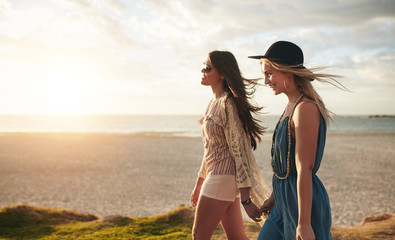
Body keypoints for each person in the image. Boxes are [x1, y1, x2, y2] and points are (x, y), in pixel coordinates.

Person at [249, 41, 346, 240]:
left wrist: (304, 223)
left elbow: (304, 169)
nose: (266, 81)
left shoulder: (305, 109)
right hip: (282, 203)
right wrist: (274, 198)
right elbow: (285, 164)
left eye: (269, 73)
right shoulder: (290, 106)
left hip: (302, 206)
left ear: (288, 72)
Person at [191, 50, 271, 240]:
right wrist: (199, 182)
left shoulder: (229, 104)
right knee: (236, 236)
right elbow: (210, 149)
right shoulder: (213, 102)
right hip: (218, 176)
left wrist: (246, 199)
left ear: (222, 73)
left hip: (222, 177)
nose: (203, 70)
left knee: (199, 235)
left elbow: (241, 152)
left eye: (208, 67)